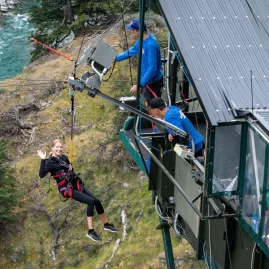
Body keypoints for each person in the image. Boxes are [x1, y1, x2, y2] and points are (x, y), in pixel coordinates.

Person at [37, 139, 118, 242]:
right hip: (66, 188)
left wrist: (70, 169)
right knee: (90, 201)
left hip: (75, 184)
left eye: (61, 147)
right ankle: (91, 231)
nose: (59, 149)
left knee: (97, 201)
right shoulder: (49, 162)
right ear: (52, 148)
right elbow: (41, 175)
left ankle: (106, 224)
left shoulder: (64, 158)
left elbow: (70, 170)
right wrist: (43, 160)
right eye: (57, 147)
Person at [115, 18, 163, 103]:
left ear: (139, 30)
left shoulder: (151, 45)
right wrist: (116, 58)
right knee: (147, 103)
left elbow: (153, 68)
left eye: (133, 30)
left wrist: (140, 84)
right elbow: (132, 51)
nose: (131, 32)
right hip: (146, 80)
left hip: (153, 82)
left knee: (153, 108)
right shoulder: (142, 40)